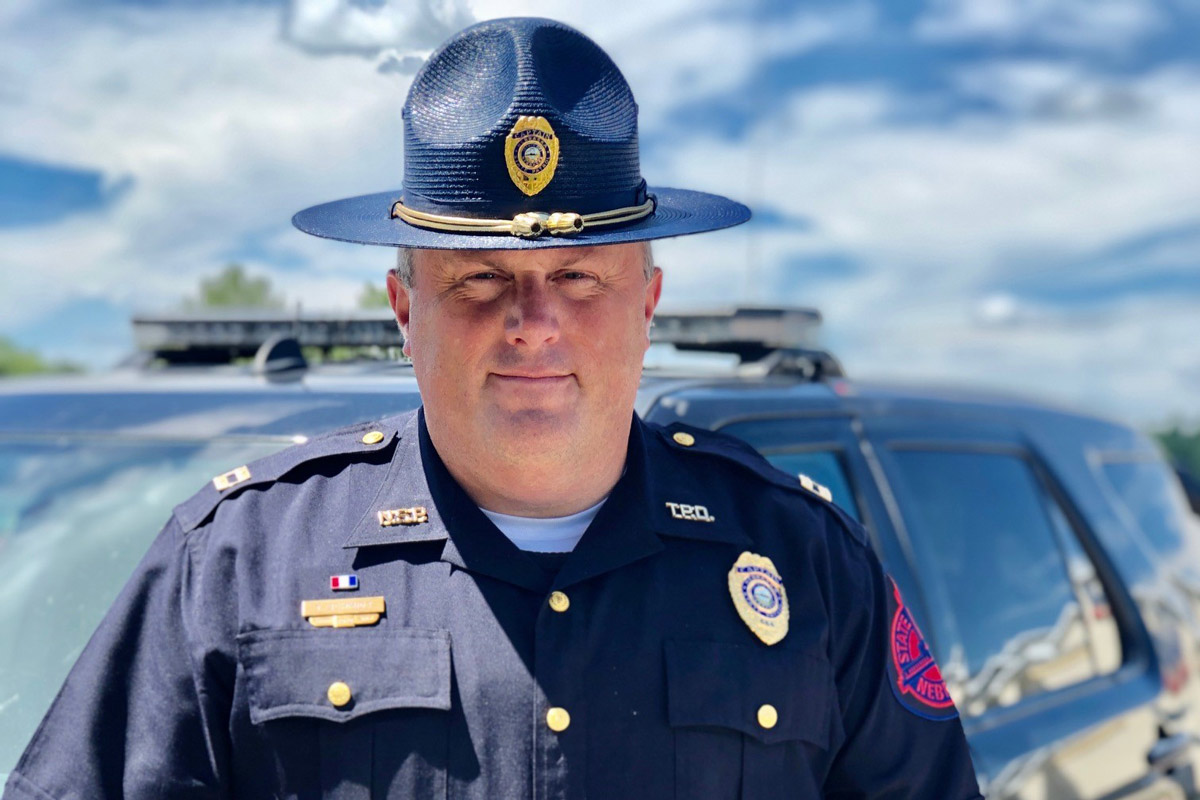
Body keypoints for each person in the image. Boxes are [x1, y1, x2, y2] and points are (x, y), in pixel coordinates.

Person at [3, 17, 984, 800]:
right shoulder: (233, 563)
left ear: (647, 302)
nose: (532, 322)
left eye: (579, 277)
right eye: (477, 279)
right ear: (402, 309)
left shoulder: (804, 558)